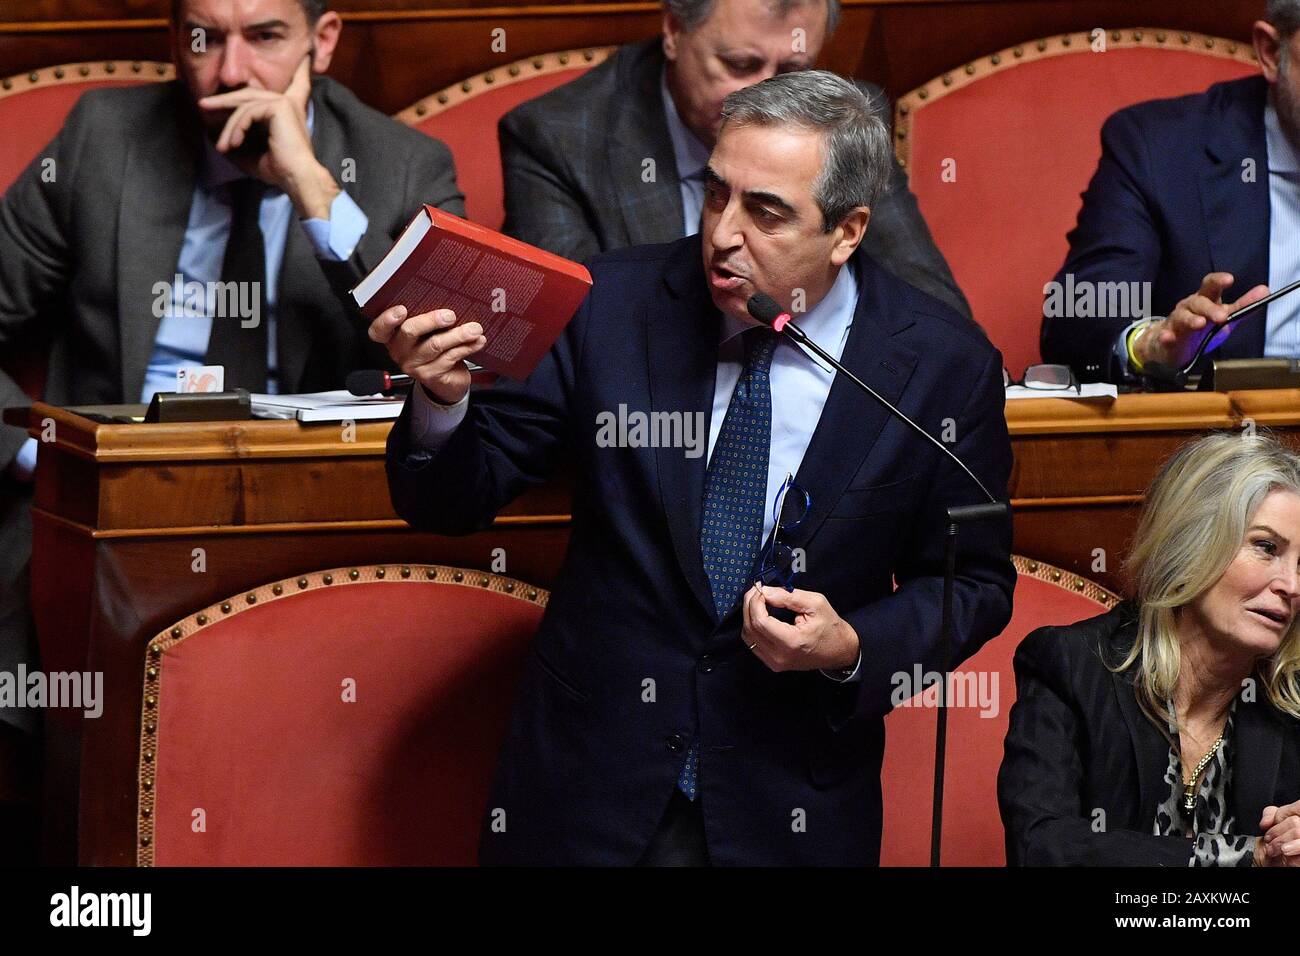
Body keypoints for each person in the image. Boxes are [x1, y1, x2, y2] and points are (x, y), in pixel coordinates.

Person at [376, 71, 1014, 865]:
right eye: (717, 195)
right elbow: (452, 499)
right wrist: (441, 402)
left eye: (766, 212)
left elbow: (974, 585)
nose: (722, 234)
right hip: (589, 796)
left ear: (848, 231)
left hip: (789, 806)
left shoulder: (942, 366)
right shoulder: (607, 305)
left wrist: (851, 644)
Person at [0, 0, 463, 851]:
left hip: (317, 521)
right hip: (106, 509)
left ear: (323, 40)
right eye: (204, 38)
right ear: (175, 38)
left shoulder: (402, 164)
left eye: (266, 38)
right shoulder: (104, 137)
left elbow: (449, 354)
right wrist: (43, 460)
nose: (230, 72)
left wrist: (312, 187)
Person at [498, 0, 970, 320]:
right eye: (740, 66)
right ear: (675, 30)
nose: (764, 93)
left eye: (792, 72)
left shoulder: (840, 124)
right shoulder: (558, 135)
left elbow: (936, 315)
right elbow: (572, 337)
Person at [1000, 432, 1300, 866]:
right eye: (1265, 547)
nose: (1290, 585)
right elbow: (1043, 848)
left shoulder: (1288, 699)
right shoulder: (1071, 667)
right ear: (1191, 542)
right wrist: (1246, 857)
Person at [1041, 1, 1300, 384]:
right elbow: (1078, 319)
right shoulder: (1159, 149)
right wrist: (1150, 346)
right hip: (1229, 433)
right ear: (1270, 52)